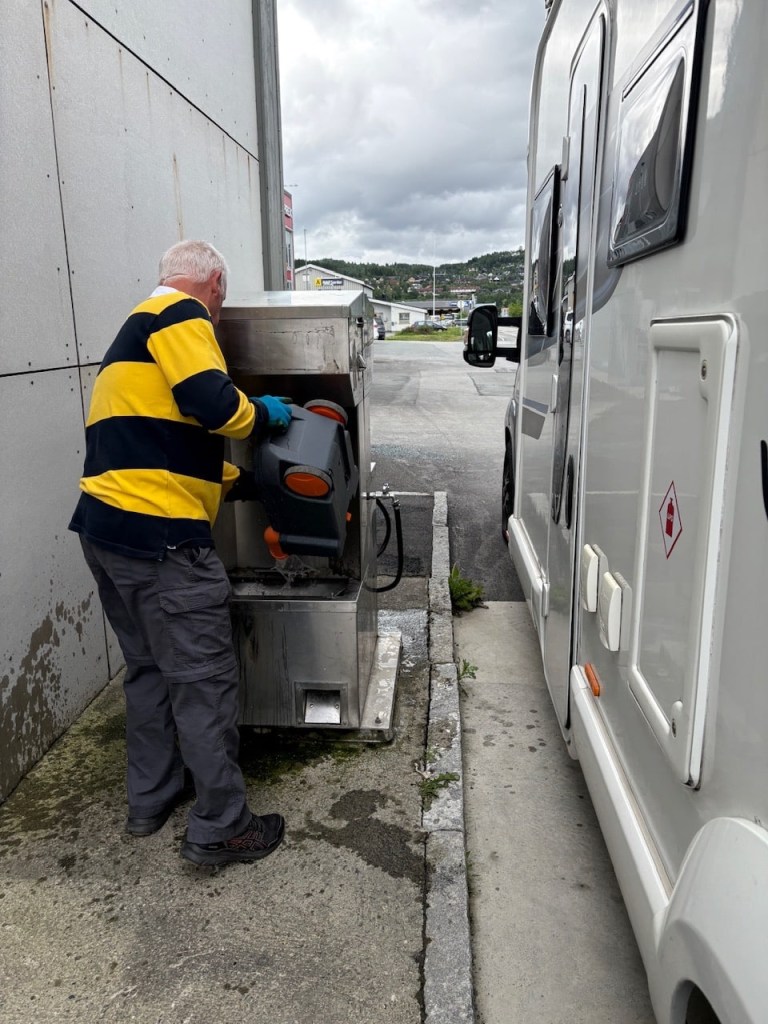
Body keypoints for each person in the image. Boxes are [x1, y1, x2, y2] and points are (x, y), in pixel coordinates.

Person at [69, 240, 290, 866]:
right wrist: (265, 415)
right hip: (161, 540)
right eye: (222, 296)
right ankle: (222, 826)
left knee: (148, 670)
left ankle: (152, 797)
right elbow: (212, 405)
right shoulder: (180, 314)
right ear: (213, 282)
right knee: (202, 681)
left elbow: (161, 443)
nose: (219, 310)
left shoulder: (133, 330)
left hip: (106, 529)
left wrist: (241, 483)